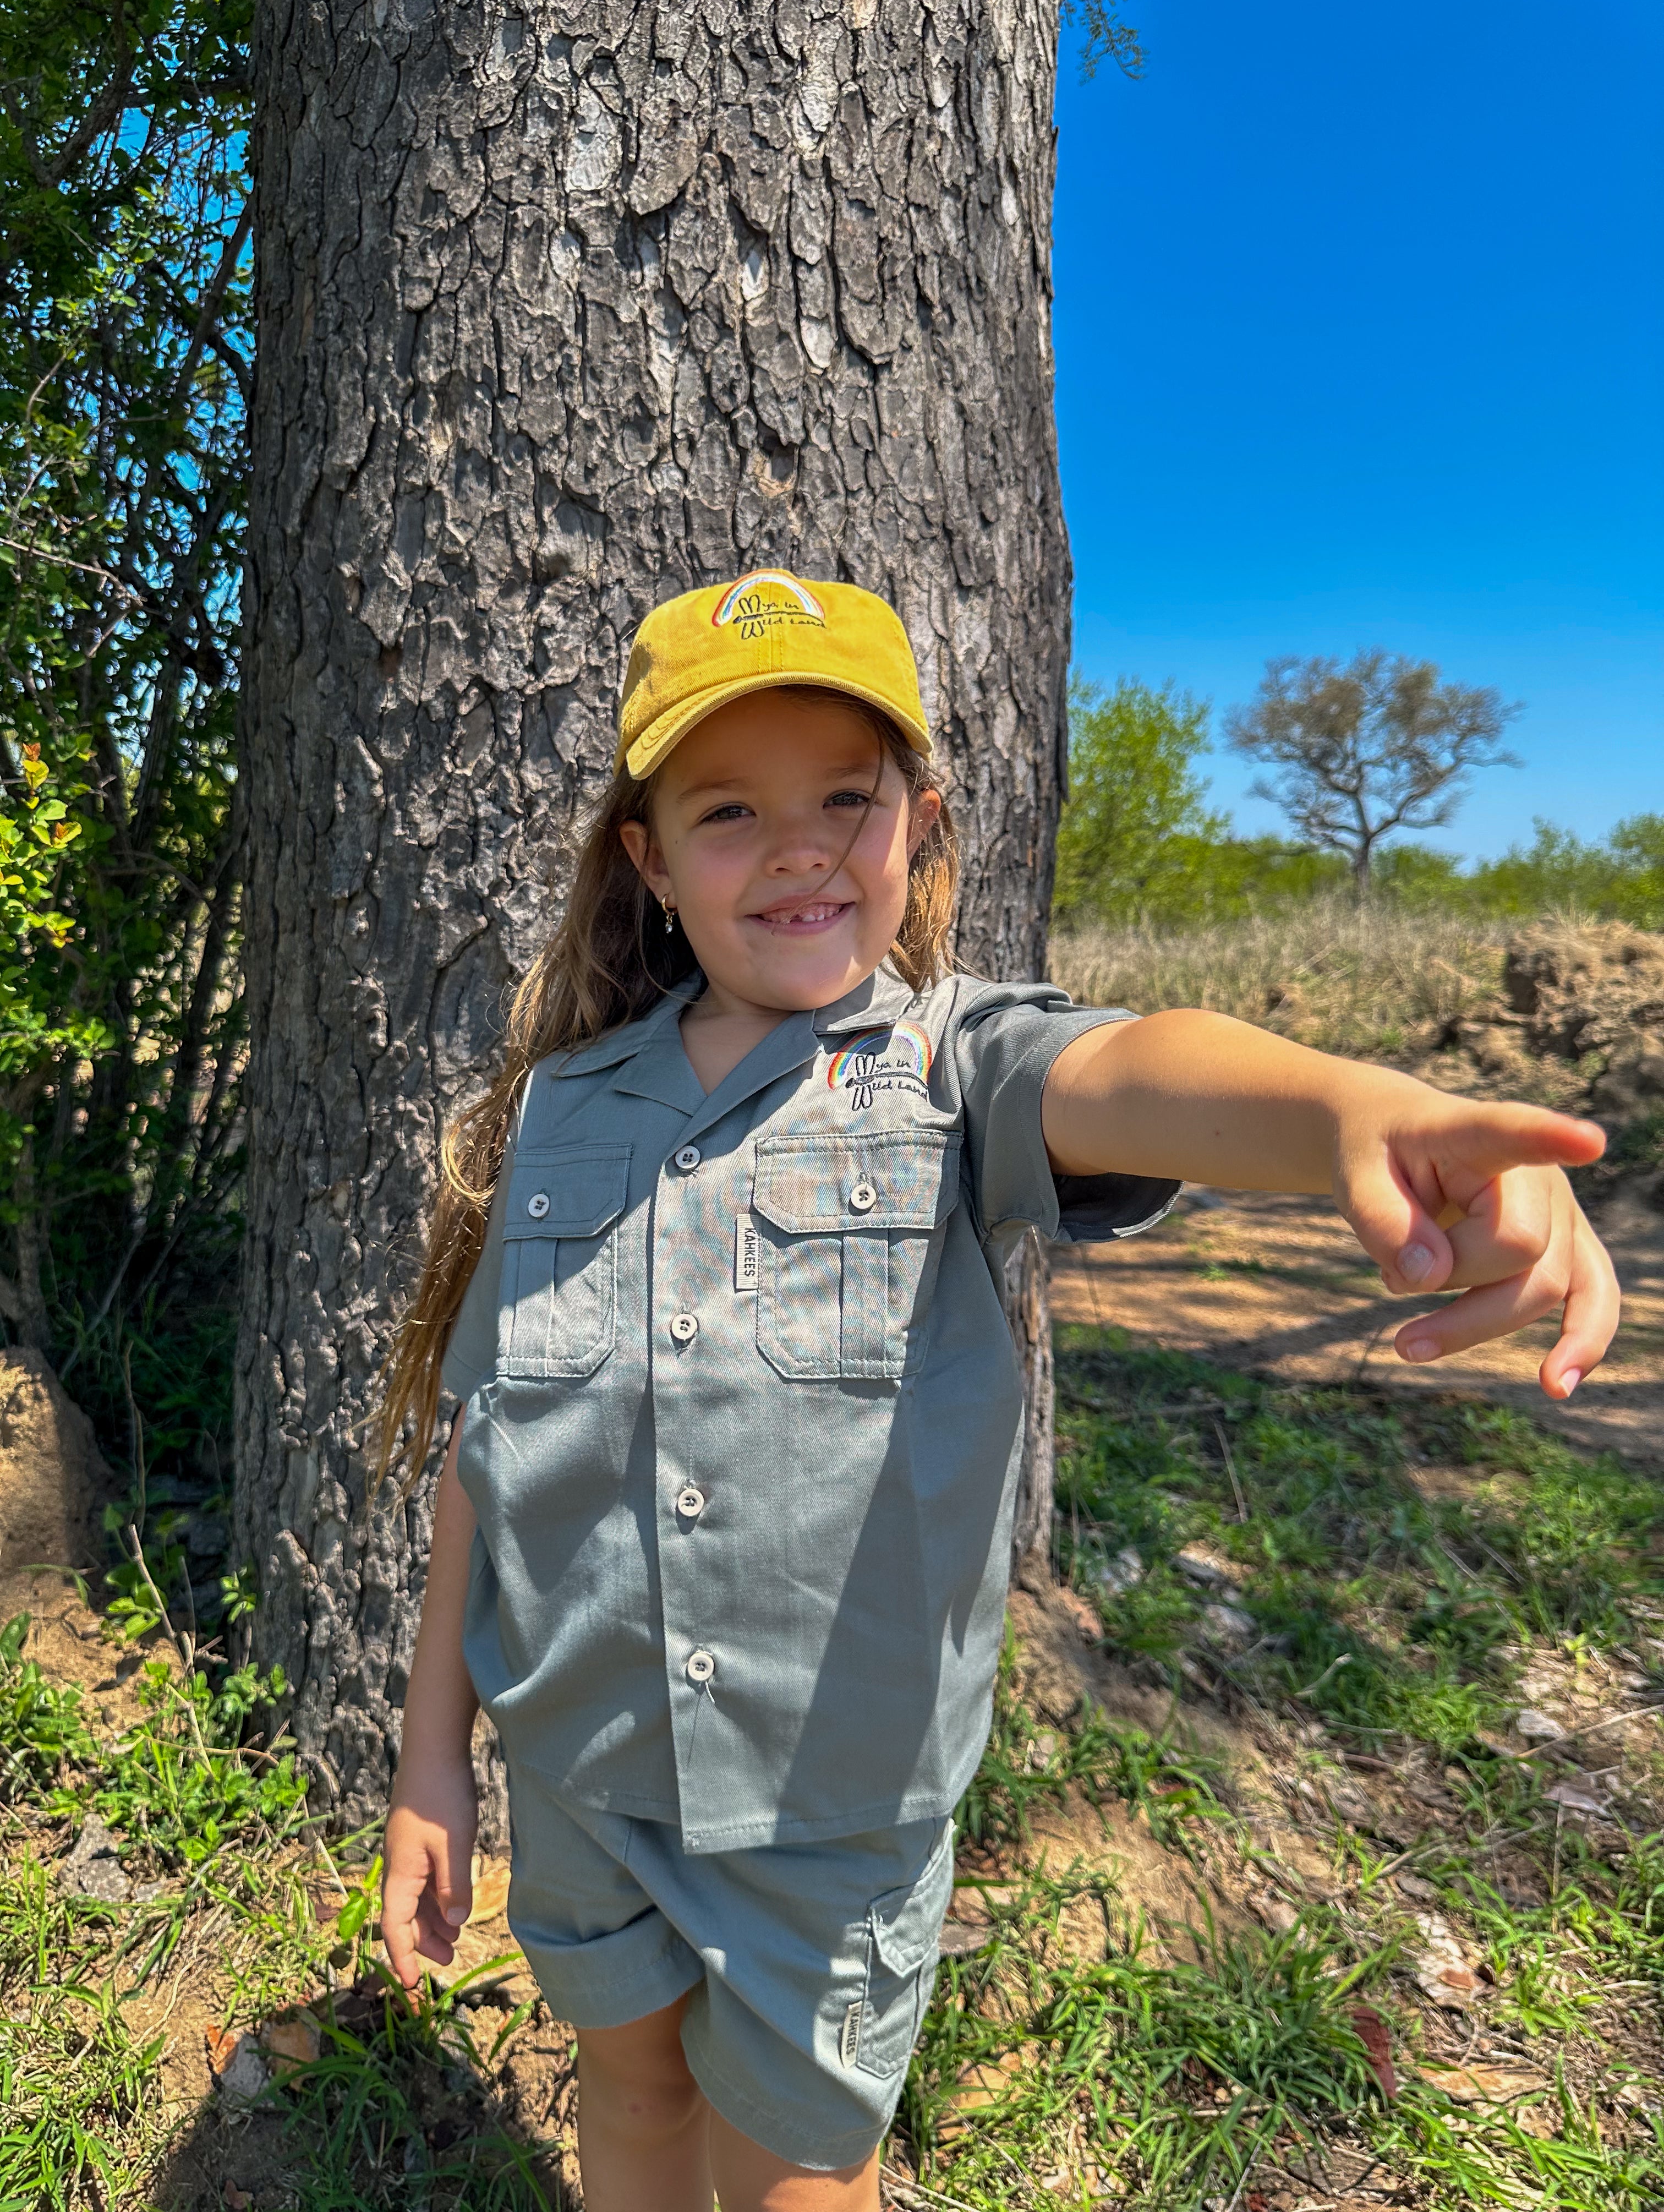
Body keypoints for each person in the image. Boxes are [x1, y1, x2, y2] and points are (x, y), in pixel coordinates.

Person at [376, 570, 1619, 2212]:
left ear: (922, 820)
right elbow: (494, 1442)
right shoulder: (561, 1109)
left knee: (799, 2171)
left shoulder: (951, 1072)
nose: (802, 845)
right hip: (580, 1767)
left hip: (825, 1814)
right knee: (627, 2081)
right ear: (650, 859)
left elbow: (1136, 1070)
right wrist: (431, 1759)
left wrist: (1351, 1111)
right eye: (730, 808)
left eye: (848, 795)